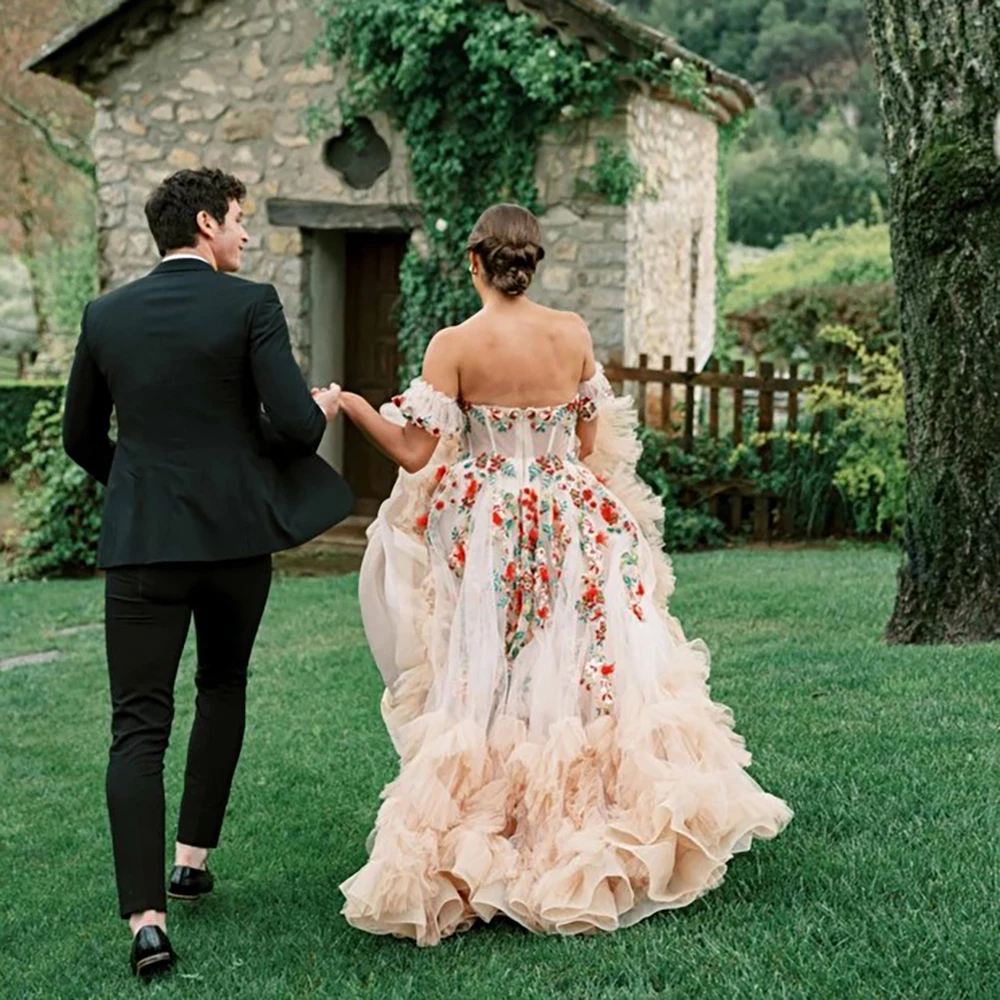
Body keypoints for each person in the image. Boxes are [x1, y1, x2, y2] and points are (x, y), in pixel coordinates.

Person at [334, 203, 792, 946]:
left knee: (487, 668)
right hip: (573, 514)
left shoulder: (453, 344)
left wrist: (351, 403)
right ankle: (592, 824)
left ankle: (491, 839)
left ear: (475, 262)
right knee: (578, 662)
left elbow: (415, 453)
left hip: (487, 525)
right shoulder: (571, 333)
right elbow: (585, 438)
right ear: (531, 263)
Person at [62, 168, 352, 978]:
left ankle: (147, 922)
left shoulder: (105, 315)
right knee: (223, 686)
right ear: (204, 224)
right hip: (233, 546)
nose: (246, 236)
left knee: (137, 726)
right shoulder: (250, 303)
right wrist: (322, 408)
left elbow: (79, 437)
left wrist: (141, 484)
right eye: (238, 221)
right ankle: (189, 860)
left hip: (144, 544)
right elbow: (293, 428)